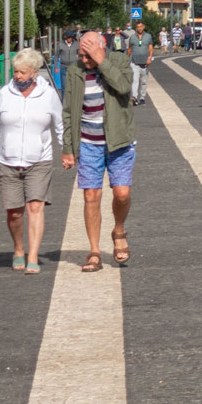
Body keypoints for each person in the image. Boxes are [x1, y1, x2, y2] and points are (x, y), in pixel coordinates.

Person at [0, 47, 64, 272]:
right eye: (16, 72)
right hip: (8, 161)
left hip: (40, 160)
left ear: (35, 72)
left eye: (23, 72)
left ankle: (33, 256)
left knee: (35, 207)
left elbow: (59, 125)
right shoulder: (5, 94)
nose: (17, 76)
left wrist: (67, 151)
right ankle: (19, 248)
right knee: (14, 212)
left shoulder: (48, 95)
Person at [63, 29, 139, 271]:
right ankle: (94, 251)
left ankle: (118, 230)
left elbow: (124, 87)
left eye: (88, 55)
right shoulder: (75, 71)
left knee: (122, 194)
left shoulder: (118, 61)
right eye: (81, 55)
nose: (84, 60)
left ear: (101, 48)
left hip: (119, 142)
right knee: (90, 196)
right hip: (88, 143)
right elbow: (68, 110)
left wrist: (102, 62)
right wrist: (68, 147)